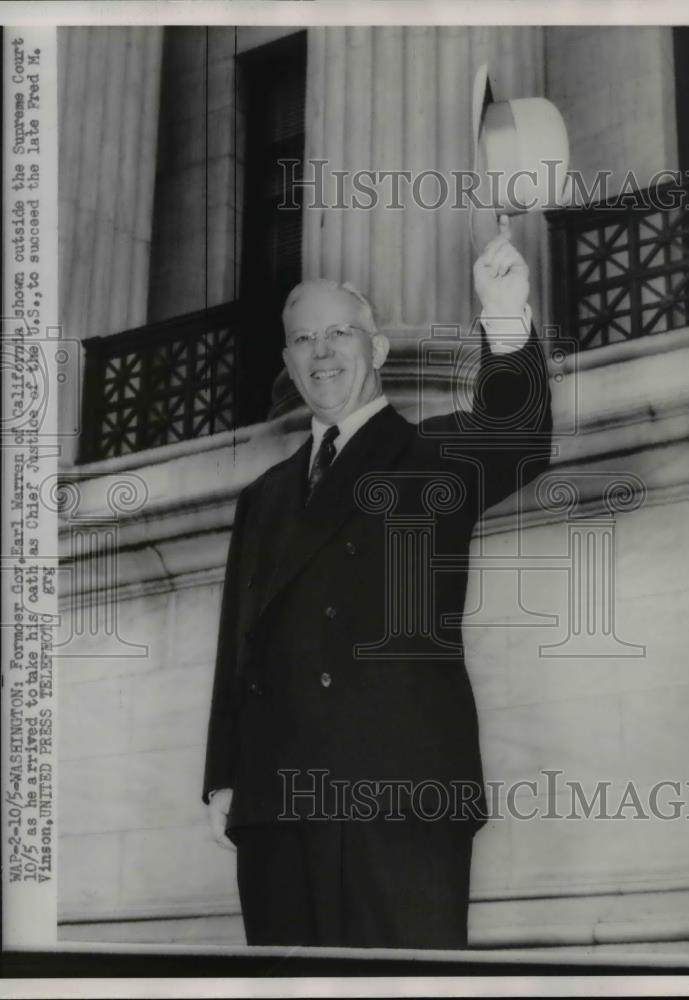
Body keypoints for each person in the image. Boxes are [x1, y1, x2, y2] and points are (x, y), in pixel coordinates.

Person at [202, 219, 553, 948]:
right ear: (288, 364)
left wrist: (504, 318)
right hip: (277, 800)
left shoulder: (431, 453)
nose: (321, 352)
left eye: (339, 334)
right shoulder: (261, 497)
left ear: (378, 349)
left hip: (398, 790)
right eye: (303, 340)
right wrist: (222, 778)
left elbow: (518, 433)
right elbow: (239, 647)